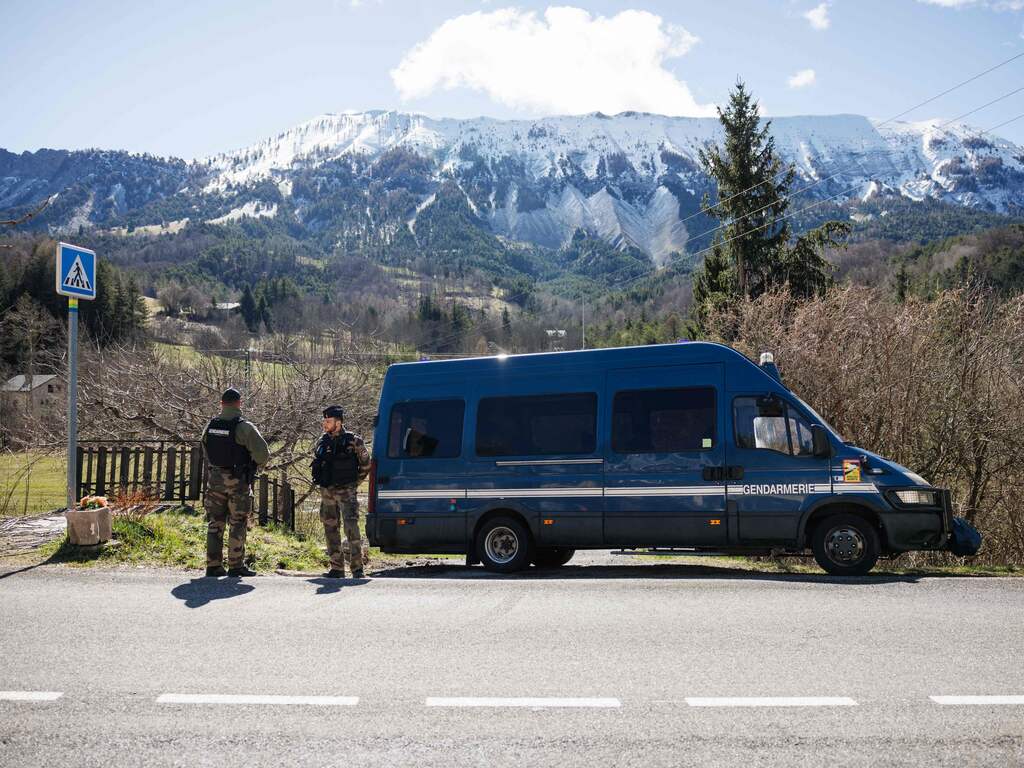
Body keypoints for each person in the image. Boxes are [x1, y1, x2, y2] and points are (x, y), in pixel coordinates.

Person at [201, 388, 270, 577]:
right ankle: (235, 566)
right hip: (237, 481)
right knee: (238, 522)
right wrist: (255, 466)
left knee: (215, 522)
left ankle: (213, 566)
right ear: (239, 403)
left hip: (214, 480)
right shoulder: (244, 427)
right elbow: (263, 454)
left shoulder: (211, 425)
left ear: (221, 404)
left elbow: (205, 446)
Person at [313, 405, 371, 578]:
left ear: (338, 422)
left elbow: (366, 465)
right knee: (330, 528)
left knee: (351, 528)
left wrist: (353, 483)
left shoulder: (354, 441)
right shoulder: (322, 441)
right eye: (324, 420)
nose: (325, 424)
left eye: (328, 421)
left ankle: (357, 568)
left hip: (347, 491)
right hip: (327, 492)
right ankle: (336, 568)